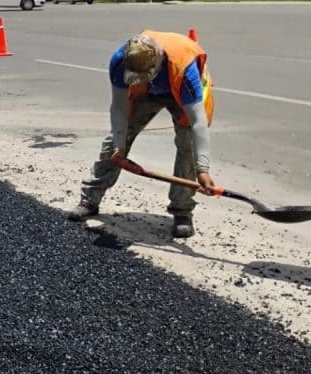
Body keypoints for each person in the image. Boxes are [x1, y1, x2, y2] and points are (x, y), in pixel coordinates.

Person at [68, 30, 216, 238]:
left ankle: (182, 211)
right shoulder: (121, 62)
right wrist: (120, 145)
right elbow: (119, 108)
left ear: (156, 65)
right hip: (148, 92)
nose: (134, 78)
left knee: (188, 145)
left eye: (141, 75)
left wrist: (203, 168)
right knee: (113, 143)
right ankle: (90, 199)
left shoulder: (185, 71)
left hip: (181, 92)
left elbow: (198, 122)